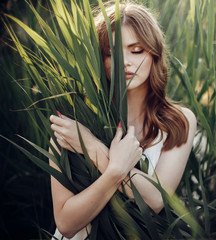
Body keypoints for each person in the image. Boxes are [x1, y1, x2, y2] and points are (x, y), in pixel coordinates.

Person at [48, 2, 196, 239]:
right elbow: (65, 223)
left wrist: (94, 148)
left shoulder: (178, 121)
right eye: (110, 53)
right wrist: (114, 169)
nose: (124, 62)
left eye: (136, 50)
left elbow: (157, 200)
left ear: (154, 53)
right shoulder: (75, 123)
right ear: (98, 59)